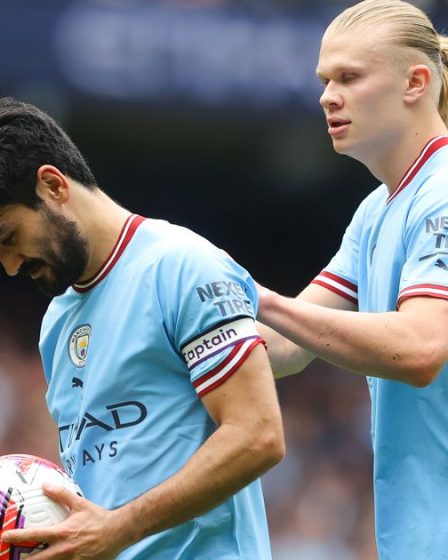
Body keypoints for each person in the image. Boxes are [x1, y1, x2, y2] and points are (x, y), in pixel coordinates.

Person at [0, 96, 285, 559]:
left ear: (52, 186)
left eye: (9, 237)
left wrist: (117, 529)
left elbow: (258, 435)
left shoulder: (181, 266)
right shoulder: (55, 323)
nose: (11, 266)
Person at [256, 1, 448, 559]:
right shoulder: (376, 210)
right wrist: (174, 323)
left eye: (349, 77)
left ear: (416, 81)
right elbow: (286, 346)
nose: (326, 96)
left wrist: (255, 295)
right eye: (324, 80)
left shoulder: (441, 194)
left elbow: (420, 347)